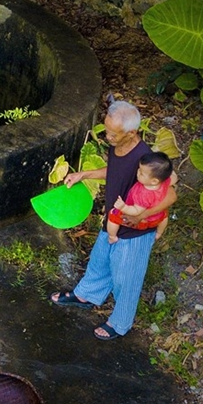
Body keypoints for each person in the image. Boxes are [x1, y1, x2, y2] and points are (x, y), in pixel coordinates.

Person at [50, 101, 177, 340]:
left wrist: (142, 214)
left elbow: (171, 193)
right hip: (115, 219)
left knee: (125, 278)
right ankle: (87, 294)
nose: (107, 136)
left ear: (131, 133)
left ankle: (120, 323)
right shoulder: (118, 145)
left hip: (135, 232)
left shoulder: (147, 158)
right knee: (100, 260)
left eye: (113, 133)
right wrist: (84, 174)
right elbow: (115, 171)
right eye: (106, 130)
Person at [106, 151, 173, 244]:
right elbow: (174, 178)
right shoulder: (164, 181)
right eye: (139, 169)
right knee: (165, 213)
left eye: (141, 173)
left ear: (154, 181)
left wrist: (123, 207)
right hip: (158, 217)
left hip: (144, 221)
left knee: (113, 214)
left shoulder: (143, 194)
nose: (138, 172)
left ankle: (112, 237)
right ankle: (159, 233)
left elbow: (136, 211)